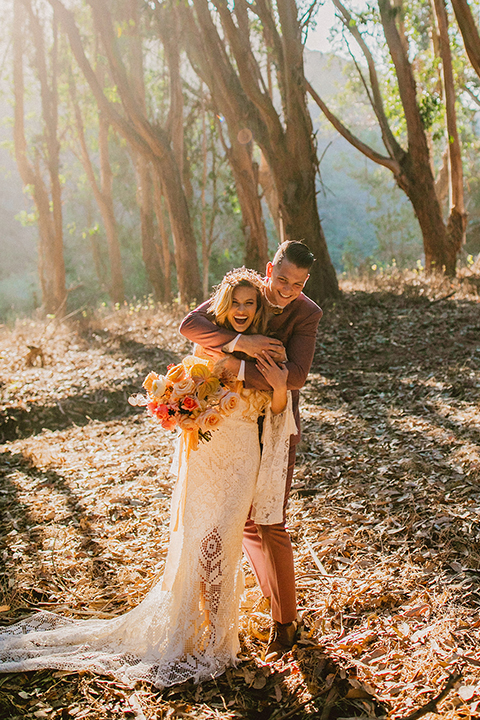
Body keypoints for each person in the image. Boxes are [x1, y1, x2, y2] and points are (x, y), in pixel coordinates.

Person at [0, 269, 297, 688]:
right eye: (237, 303)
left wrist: (280, 387)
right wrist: (182, 407)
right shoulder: (207, 339)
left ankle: (217, 636)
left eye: (251, 303)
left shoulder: (270, 348)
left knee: (224, 539)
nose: (244, 310)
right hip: (206, 454)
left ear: (258, 307)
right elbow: (190, 388)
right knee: (199, 537)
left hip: (243, 455)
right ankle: (200, 629)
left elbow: (277, 408)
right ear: (225, 305)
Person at [180, 240, 322, 661]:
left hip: (276, 425)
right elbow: (190, 326)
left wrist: (234, 366)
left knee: (270, 519)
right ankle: (273, 594)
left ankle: (286, 623)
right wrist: (243, 341)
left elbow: (294, 376)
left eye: (297, 285)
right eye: (282, 280)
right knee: (243, 521)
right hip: (235, 424)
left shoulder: (307, 313)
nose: (286, 291)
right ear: (269, 270)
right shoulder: (247, 294)